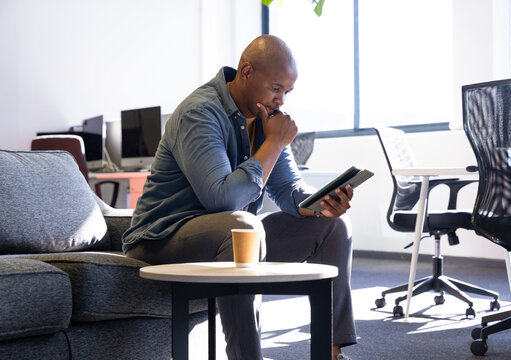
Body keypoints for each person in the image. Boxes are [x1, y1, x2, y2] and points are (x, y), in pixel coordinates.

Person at [122, 35, 356, 360]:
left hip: (231, 239)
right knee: (244, 227)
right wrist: (273, 145)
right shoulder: (200, 112)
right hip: (160, 241)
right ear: (246, 71)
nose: (282, 100)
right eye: (276, 88)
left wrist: (321, 204)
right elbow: (222, 199)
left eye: (287, 91)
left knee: (333, 227)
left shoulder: (265, 120)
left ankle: (331, 353)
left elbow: (289, 192)